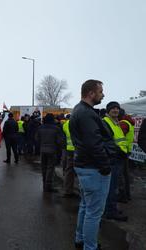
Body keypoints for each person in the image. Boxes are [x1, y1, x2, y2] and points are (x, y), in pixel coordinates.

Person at [70, 79, 115, 250]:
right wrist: (105, 166)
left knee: (85, 206)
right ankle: (90, 247)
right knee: (94, 213)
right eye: (101, 91)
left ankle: (80, 240)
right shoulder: (86, 113)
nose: (103, 94)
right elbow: (93, 143)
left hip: (84, 166)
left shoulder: (79, 110)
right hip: (93, 168)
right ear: (91, 93)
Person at [102, 102, 128, 221]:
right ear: (108, 110)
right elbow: (108, 142)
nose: (116, 110)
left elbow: (120, 140)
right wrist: (120, 152)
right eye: (113, 108)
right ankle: (110, 211)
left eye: (117, 108)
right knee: (112, 187)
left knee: (114, 185)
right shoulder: (106, 122)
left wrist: (125, 151)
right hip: (113, 159)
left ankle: (112, 208)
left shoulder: (116, 122)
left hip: (119, 158)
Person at [36, 113, 63, 192]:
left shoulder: (40, 127)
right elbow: (59, 141)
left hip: (42, 150)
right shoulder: (56, 128)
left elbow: (37, 139)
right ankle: (48, 185)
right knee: (50, 168)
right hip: (52, 150)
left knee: (44, 167)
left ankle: (45, 184)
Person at [118, 108, 135, 202]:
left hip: (122, 151)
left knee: (121, 174)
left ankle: (122, 195)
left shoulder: (123, 123)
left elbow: (119, 136)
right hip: (126, 150)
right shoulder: (129, 122)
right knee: (125, 174)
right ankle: (127, 194)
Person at [62, 115, 77, 197]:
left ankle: (68, 190)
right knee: (81, 170)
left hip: (69, 148)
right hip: (78, 149)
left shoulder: (65, 124)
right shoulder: (78, 123)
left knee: (69, 170)